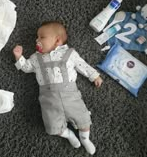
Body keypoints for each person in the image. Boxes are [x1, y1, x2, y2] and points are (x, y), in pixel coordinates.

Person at [13, 21, 103, 155]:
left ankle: (85, 139)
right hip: (48, 100)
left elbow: (81, 65)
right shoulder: (36, 58)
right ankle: (69, 135)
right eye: (36, 38)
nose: (37, 40)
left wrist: (94, 76)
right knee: (53, 126)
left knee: (83, 120)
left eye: (41, 37)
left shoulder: (70, 54)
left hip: (71, 96)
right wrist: (19, 57)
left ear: (57, 40)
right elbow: (26, 68)